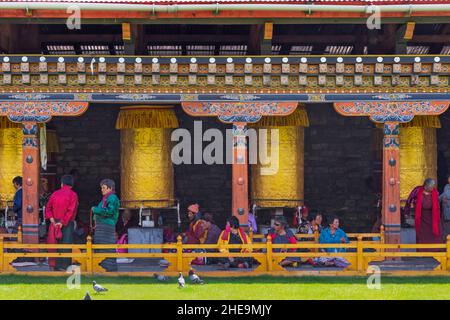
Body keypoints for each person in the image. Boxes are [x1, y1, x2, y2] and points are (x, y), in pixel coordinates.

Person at [45, 175, 78, 271]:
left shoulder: (55, 193)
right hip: (67, 223)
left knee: (54, 243)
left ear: (62, 183)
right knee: (66, 244)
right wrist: (63, 223)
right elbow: (71, 211)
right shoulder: (73, 195)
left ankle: (54, 265)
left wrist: (52, 219)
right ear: (72, 184)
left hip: (54, 222)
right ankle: (64, 266)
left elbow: (48, 208)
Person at [91, 179, 120, 272]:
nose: (102, 190)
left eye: (104, 188)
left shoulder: (112, 198)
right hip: (101, 228)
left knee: (106, 248)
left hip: (106, 228)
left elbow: (109, 212)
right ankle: (102, 268)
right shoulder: (105, 198)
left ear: (110, 188)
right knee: (101, 247)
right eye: (101, 188)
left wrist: (96, 210)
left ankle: (108, 269)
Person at [405, 178, 442, 249]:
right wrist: (407, 212)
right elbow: (409, 200)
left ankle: (435, 250)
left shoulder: (435, 192)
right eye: (431, 186)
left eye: (433, 186)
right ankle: (422, 250)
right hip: (421, 217)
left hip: (432, 217)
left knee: (435, 233)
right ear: (426, 186)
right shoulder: (417, 191)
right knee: (422, 234)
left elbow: (437, 205)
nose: (433, 188)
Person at [439, 174, 450, 239]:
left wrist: (446, 198)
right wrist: (435, 199)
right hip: (445, 211)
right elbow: (443, 195)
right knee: (445, 230)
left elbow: (446, 195)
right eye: (448, 179)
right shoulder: (446, 186)